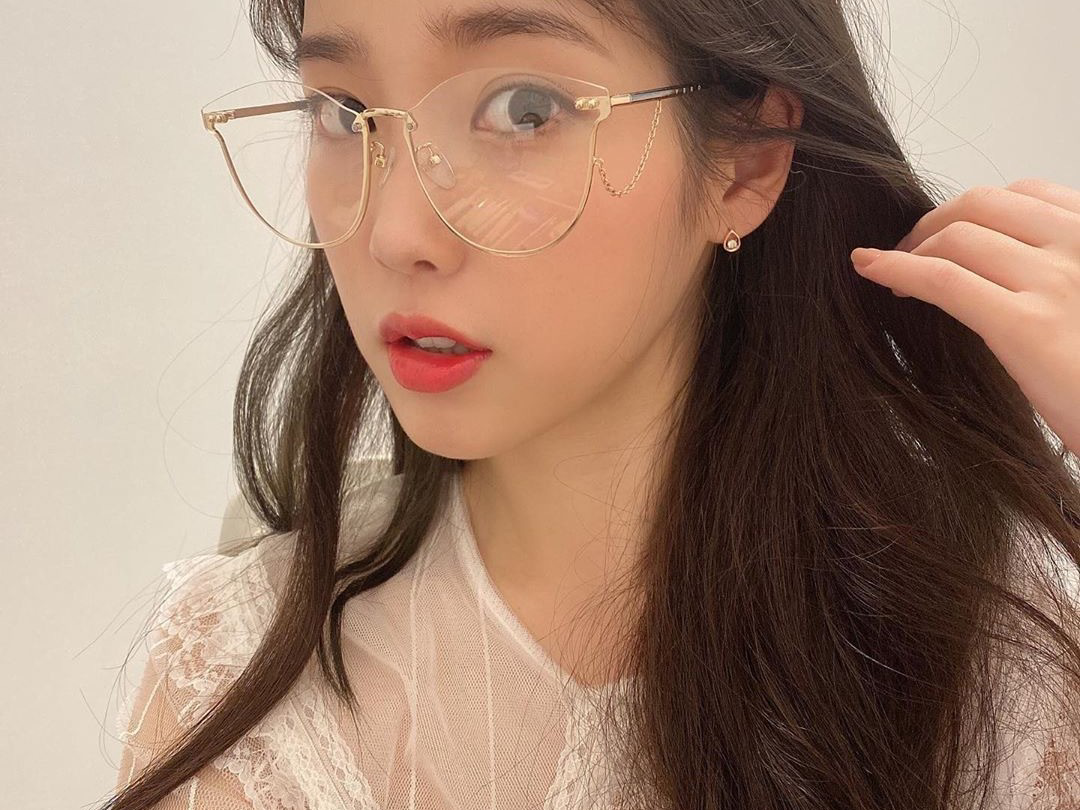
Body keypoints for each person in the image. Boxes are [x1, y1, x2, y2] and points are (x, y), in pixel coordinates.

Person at [101, 0, 1080, 807]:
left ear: (745, 160)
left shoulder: (997, 646)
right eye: (344, 111)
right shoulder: (240, 681)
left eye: (524, 110)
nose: (396, 231)